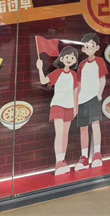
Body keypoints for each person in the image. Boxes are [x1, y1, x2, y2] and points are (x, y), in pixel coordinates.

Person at [36, 46, 79, 176]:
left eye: (72, 57)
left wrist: (75, 106)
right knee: (59, 134)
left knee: (65, 134)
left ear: (75, 60)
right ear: (61, 58)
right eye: (67, 57)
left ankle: (62, 160)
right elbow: (43, 81)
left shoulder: (73, 74)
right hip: (58, 105)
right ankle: (58, 162)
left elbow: (75, 91)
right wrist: (40, 68)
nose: (69, 59)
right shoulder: (57, 73)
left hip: (69, 106)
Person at [75, 33, 107, 171]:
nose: (89, 48)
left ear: (97, 47)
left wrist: (99, 95)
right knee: (83, 127)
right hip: (82, 99)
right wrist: (76, 100)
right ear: (83, 49)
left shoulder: (99, 61)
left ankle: (97, 154)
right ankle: (84, 157)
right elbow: (78, 83)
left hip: (94, 98)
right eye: (87, 46)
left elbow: (102, 80)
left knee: (95, 124)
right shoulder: (82, 64)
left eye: (92, 45)